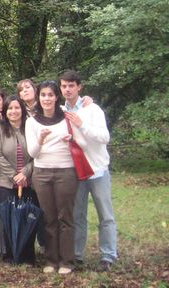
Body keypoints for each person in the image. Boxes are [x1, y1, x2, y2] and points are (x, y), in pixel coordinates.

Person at [59, 70, 117, 272]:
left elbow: (104, 137)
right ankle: (77, 255)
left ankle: (108, 255)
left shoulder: (92, 109)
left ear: (79, 87)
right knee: (77, 215)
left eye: (71, 86)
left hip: (97, 169)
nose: (67, 89)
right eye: (64, 86)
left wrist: (81, 124)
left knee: (105, 215)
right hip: (76, 171)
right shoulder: (59, 110)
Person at [25, 80, 78, 275]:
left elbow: (80, 139)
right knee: (49, 217)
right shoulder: (32, 121)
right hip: (42, 172)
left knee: (65, 217)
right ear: (38, 98)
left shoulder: (68, 117)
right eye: (43, 95)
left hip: (66, 171)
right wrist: (40, 139)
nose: (47, 99)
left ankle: (67, 261)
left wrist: (72, 139)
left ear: (57, 97)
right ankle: (51, 260)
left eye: (50, 95)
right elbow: (32, 152)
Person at [0, 95, 38, 264]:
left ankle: (27, 255)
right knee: (9, 218)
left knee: (28, 216)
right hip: (6, 182)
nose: (13, 111)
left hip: (29, 181)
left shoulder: (31, 127)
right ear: (5, 111)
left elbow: (37, 153)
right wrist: (14, 175)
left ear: (22, 110)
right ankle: (11, 254)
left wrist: (25, 172)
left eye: (17, 107)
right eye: (10, 108)